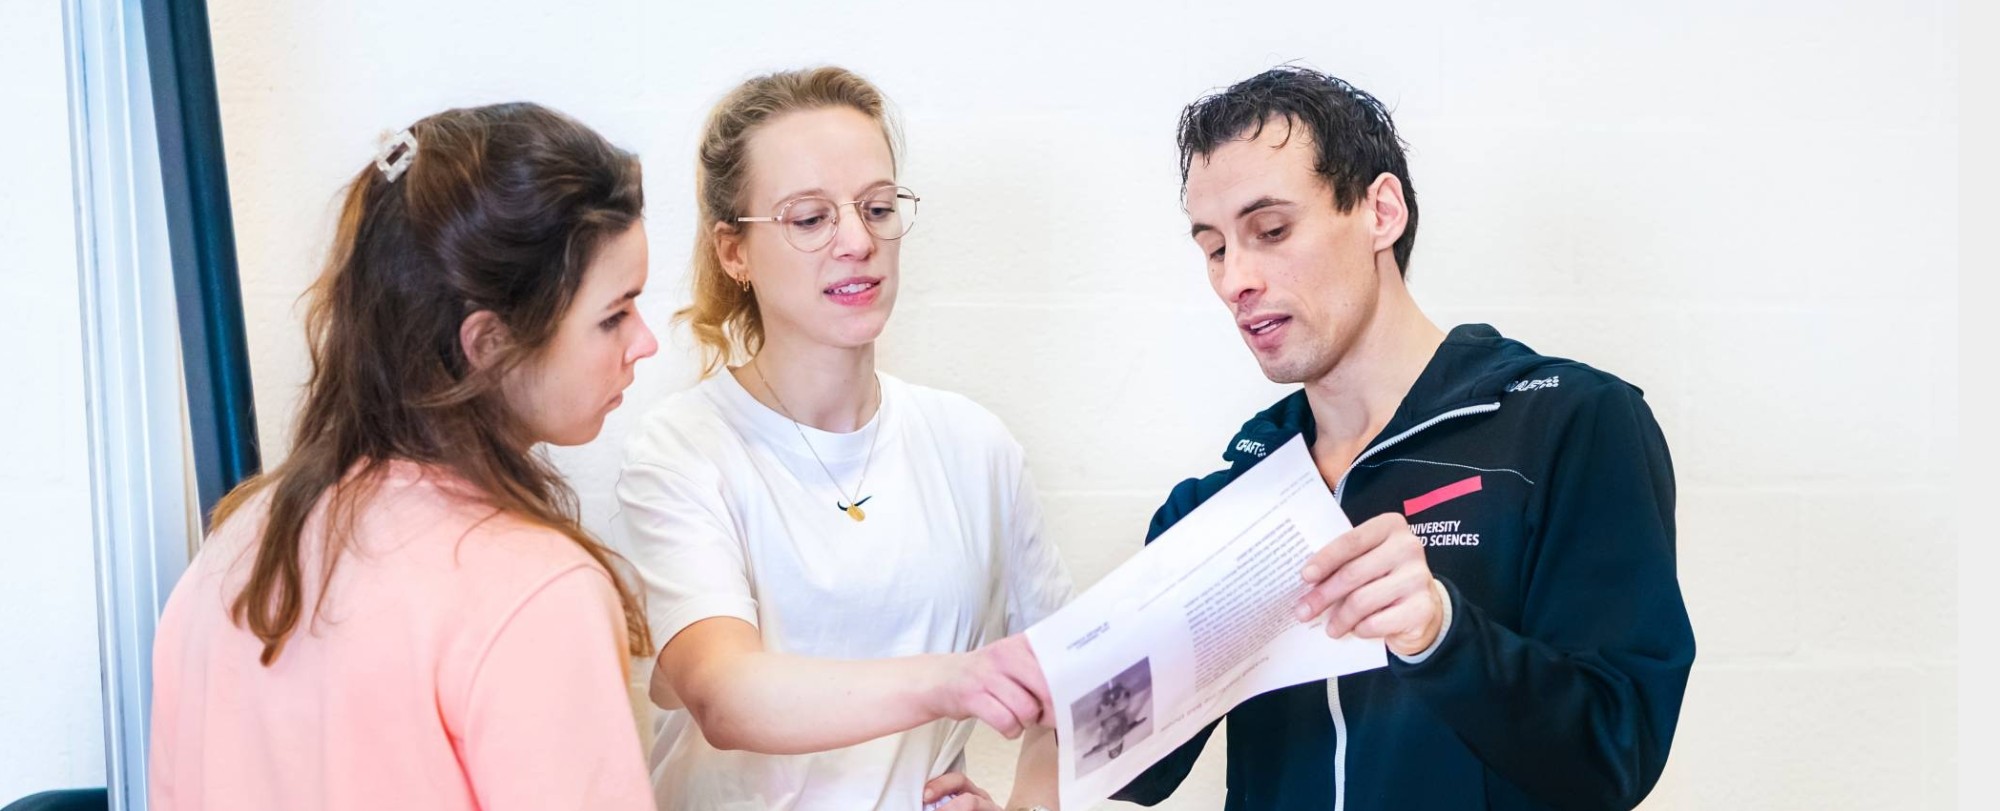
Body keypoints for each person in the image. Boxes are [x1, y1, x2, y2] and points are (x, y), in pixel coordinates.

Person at [1113, 66, 1695, 811]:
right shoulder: (1228, 496)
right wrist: (1040, 720)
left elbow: (1617, 749)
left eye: (1271, 231)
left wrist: (1440, 631)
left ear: (1380, 211)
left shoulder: (1568, 424)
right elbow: (1137, 767)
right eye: (1215, 247)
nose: (1235, 280)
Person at [149, 103, 661, 811]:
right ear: (489, 345)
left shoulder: (234, 546)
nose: (645, 341)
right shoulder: (535, 592)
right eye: (615, 314)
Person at [613, 67, 1071, 811]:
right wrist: (953, 678)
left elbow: (1069, 678)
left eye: (877, 207)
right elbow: (726, 696)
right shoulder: (682, 448)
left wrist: (1028, 807)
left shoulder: (973, 444)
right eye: (809, 218)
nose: (857, 241)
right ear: (734, 251)